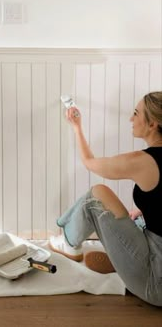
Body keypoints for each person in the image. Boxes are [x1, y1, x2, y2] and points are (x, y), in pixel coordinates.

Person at [49, 91, 162, 306]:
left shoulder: (143, 161)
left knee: (98, 196)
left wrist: (77, 127)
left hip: (155, 283)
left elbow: (90, 162)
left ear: (152, 124)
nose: (131, 118)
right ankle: (119, 259)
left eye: (136, 113)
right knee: (136, 218)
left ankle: (69, 244)